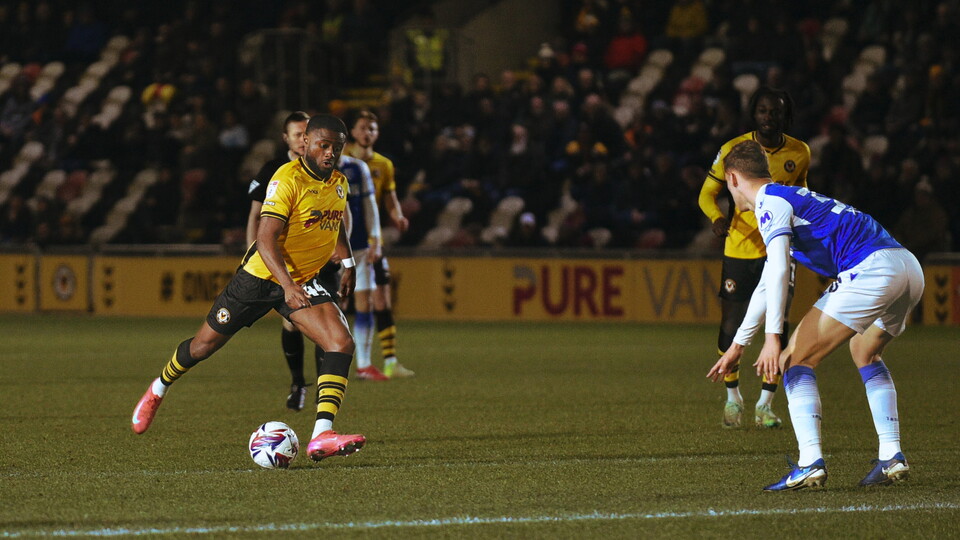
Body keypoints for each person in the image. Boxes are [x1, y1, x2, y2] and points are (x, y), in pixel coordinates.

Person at [132, 115, 367, 463]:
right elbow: (265, 238)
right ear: (307, 145)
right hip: (259, 278)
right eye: (323, 145)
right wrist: (286, 286)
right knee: (202, 346)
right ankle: (158, 388)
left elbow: (336, 226)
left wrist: (347, 263)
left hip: (302, 279)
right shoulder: (287, 179)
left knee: (341, 342)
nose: (330, 152)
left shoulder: (338, 183)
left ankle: (322, 435)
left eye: (337, 146)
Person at [707, 140, 923, 491]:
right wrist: (737, 345)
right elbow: (767, 281)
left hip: (871, 269)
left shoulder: (770, 202)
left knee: (794, 361)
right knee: (864, 351)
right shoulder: (787, 197)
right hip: (907, 268)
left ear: (732, 179)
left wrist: (773, 339)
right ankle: (892, 455)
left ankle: (810, 462)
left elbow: (777, 270)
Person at [698, 87, 810, 429]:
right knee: (731, 327)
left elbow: (801, 193)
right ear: (754, 113)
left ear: (783, 115)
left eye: (774, 111)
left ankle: (766, 404)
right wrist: (718, 219)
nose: (768, 117)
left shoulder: (799, 152)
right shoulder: (734, 149)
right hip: (740, 248)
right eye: (762, 110)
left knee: (779, 325)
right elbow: (707, 193)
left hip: (778, 247)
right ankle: (733, 399)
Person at [245, 111, 315, 411]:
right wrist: (253, 250)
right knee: (293, 323)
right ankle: (298, 382)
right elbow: (256, 216)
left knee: (330, 326)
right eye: (297, 134)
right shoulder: (273, 169)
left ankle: (326, 393)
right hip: (286, 259)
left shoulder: (326, 168)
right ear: (286, 138)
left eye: (307, 133)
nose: (303, 140)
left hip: (320, 257)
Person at [345, 110, 414, 379]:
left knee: (380, 298)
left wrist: (397, 215)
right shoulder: (340, 161)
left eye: (372, 129)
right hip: (341, 242)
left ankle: (388, 360)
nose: (367, 133)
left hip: (370, 242)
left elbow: (387, 198)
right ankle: (341, 359)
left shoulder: (383, 165)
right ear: (352, 132)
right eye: (363, 128)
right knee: (341, 303)